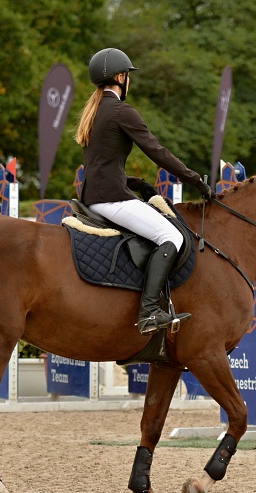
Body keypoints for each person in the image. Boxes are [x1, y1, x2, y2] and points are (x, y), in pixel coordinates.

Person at [75, 47, 213, 335]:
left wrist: (137, 183)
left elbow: (103, 164)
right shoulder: (121, 111)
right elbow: (157, 152)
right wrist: (195, 181)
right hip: (111, 199)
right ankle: (149, 311)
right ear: (120, 77)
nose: (130, 81)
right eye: (128, 76)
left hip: (93, 196)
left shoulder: (95, 111)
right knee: (172, 236)